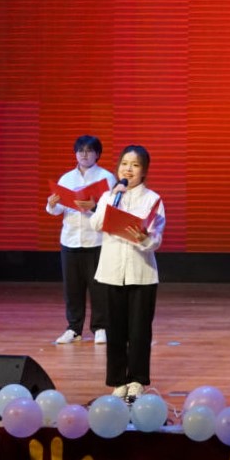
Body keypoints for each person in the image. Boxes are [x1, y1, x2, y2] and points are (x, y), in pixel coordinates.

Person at [89, 145, 164, 400]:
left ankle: (137, 380)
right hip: (111, 272)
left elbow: (156, 240)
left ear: (144, 171)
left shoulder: (152, 199)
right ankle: (118, 380)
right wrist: (112, 198)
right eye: (124, 164)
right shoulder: (109, 196)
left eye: (135, 165)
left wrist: (144, 238)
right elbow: (96, 224)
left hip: (141, 273)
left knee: (139, 331)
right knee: (115, 331)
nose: (128, 169)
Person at [46, 135, 117, 346]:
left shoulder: (107, 178)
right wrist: (52, 204)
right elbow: (57, 210)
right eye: (80, 151)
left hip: (96, 240)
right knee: (72, 288)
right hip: (70, 240)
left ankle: (100, 328)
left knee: (98, 287)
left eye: (89, 151)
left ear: (98, 154)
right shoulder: (66, 178)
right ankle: (73, 328)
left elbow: (113, 211)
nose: (84, 155)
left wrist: (94, 207)